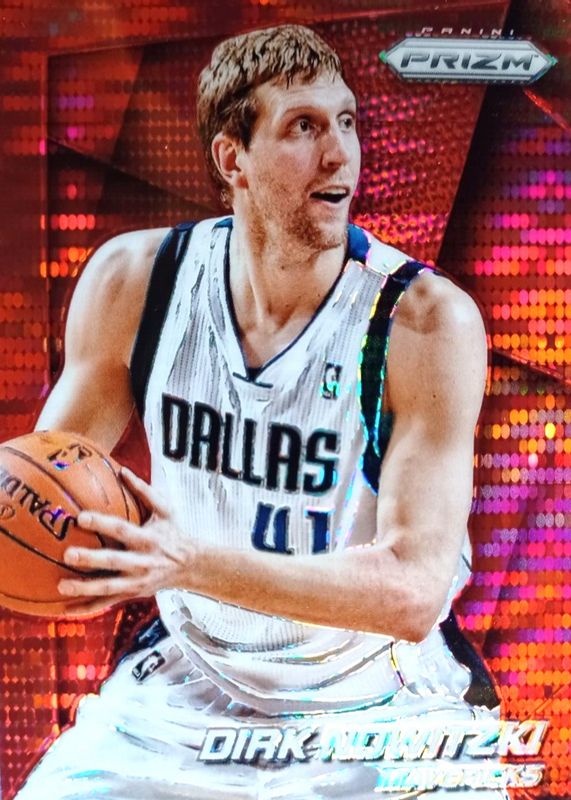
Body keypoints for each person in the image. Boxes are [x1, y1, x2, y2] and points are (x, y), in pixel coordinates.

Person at [16, 24, 508, 800]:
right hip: (189, 685)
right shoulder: (138, 282)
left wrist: (188, 564)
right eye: (302, 127)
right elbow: (42, 486)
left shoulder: (421, 322)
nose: (339, 154)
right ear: (231, 159)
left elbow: (412, 593)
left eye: (345, 121)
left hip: (380, 703)